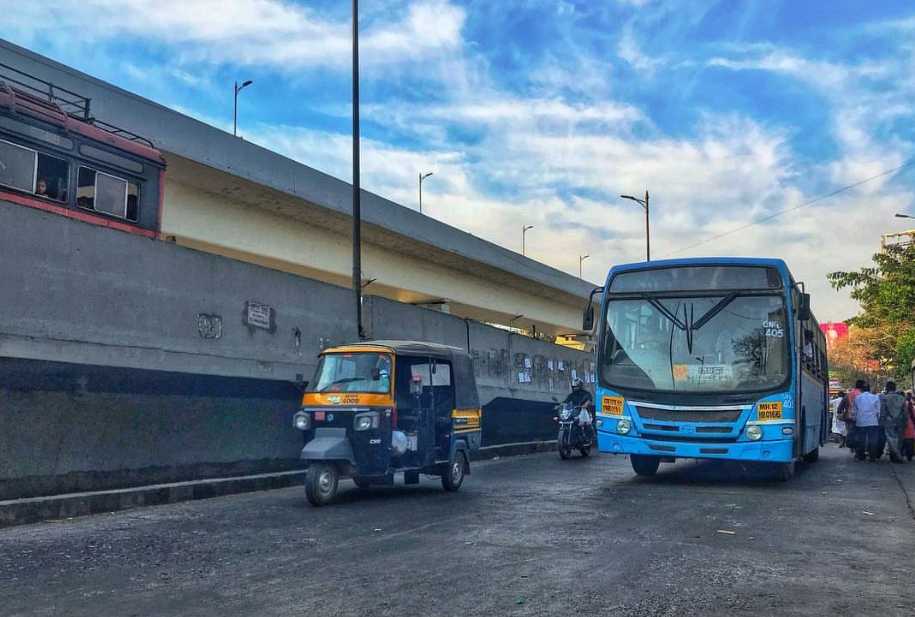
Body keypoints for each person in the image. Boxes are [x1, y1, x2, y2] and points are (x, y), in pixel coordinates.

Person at [852, 382, 881, 462]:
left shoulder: (857, 398)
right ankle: (872, 457)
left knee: (861, 439)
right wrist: (877, 419)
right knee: (873, 440)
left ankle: (861, 456)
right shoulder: (875, 397)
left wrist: (855, 419)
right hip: (873, 422)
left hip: (861, 422)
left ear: (861, 389)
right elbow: (879, 411)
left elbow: (854, 411)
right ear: (869, 389)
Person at [880, 381, 907, 463]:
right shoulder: (901, 398)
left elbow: (883, 411)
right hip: (900, 421)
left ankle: (896, 456)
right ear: (895, 388)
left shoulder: (885, 398)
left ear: (887, 388)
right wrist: (905, 421)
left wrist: (882, 421)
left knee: (891, 439)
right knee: (899, 439)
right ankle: (897, 456)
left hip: (889, 421)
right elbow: (905, 411)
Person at [838, 380, 864, 454]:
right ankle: (857, 448)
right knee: (859, 433)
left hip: (849, 418)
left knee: (850, 432)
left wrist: (840, 413)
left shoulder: (848, 395)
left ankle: (852, 446)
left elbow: (840, 407)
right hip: (860, 417)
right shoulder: (862, 395)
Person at [902, 391, 915, 462]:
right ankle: (909, 455)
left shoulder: (904, 404)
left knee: (904, 439)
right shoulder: (909, 404)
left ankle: (904, 453)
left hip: (903, 424)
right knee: (910, 439)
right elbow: (913, 415)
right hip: (910, 424)